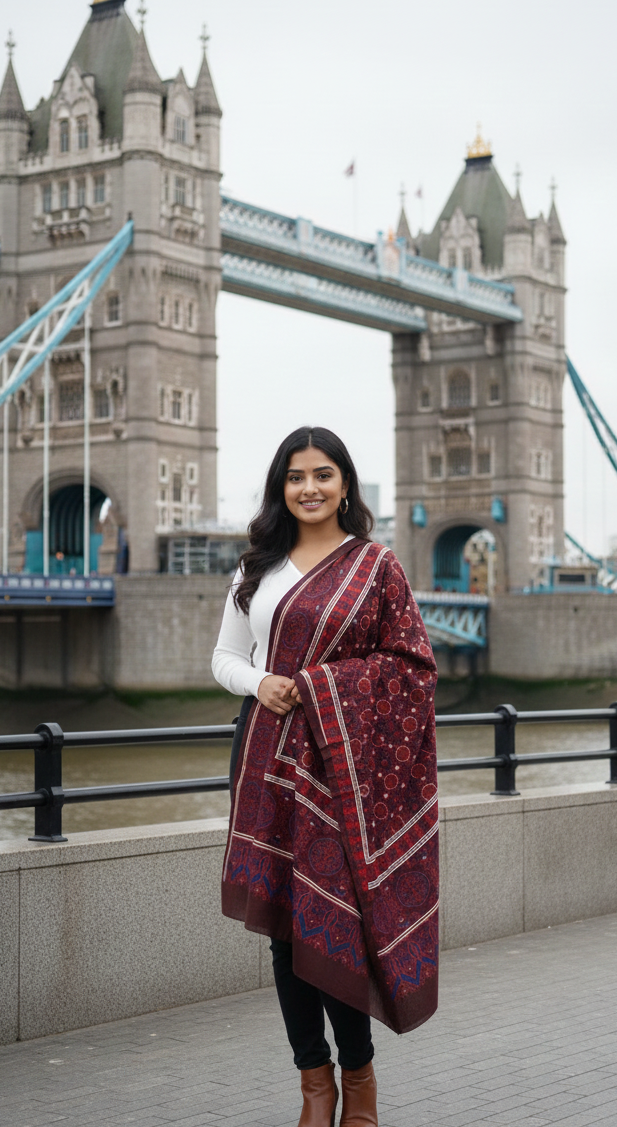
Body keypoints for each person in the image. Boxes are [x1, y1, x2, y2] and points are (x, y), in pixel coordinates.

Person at [212, 426, 439, 1127]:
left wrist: (316, 685)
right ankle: (314, 1084)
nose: (308, 487)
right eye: (295, 476)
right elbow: (223, 658)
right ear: (281, 487)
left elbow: (412, 668)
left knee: (335, 921)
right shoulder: (256, 569)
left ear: (345, 484)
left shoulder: (376, 567)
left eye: (323, 473)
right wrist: (261, 682)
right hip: (267, 760)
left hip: (347, 775)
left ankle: (360, 1080)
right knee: (286, 930)